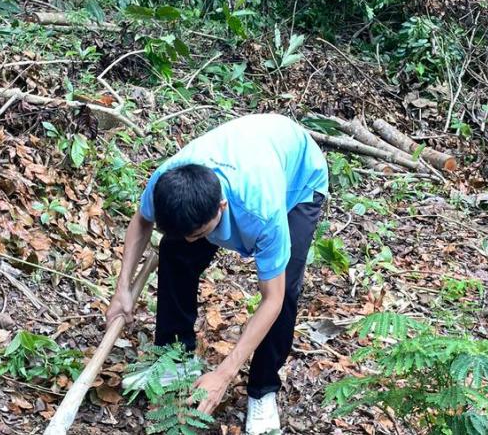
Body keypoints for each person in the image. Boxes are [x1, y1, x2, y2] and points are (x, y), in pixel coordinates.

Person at [106, 113, 329, 434]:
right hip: (251, 147)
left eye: (199, 233)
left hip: (299, 180)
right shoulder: (167, 180)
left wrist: (224, 374)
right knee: (175, 249)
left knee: (287, 290)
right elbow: (142, 221)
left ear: (221, 207)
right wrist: (122, 288)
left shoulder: (262, 212)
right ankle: (175, 356)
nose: (193, 239)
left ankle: (263, 390)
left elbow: (273, 299)